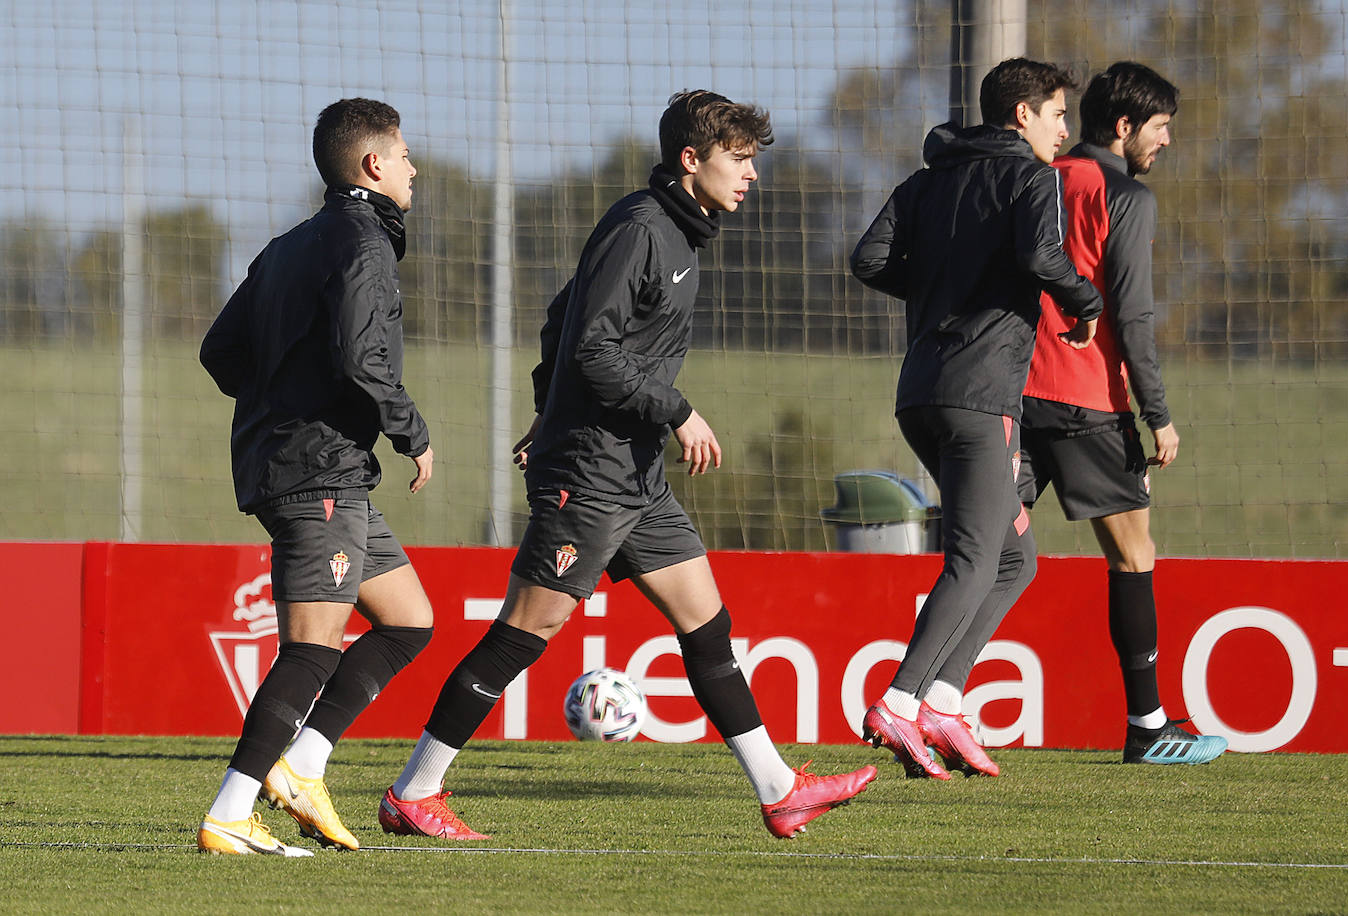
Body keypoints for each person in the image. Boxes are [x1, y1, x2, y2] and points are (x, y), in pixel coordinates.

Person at [380, 90, 876, 842]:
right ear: (691, 159)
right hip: (592, 471)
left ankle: (780, 789)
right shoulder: (641, 228)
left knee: (706, 622)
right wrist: (673, 411)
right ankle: (414, 791)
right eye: (738, 160)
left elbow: (559, 319)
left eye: (751, 162)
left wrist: (549, 410)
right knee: (523, 631)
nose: (750, 176)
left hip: (633, 475)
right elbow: (589, 346)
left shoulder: (681, 234)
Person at [850, 58, 1103, 780]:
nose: (1064, 130)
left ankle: (944, 699)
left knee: (1015, 558)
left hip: (921, 395)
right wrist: (1084, 302)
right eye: (1058, 114)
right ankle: (901, 700)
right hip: (980, 398)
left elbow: (868, 259)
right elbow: (1039, 255)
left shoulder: (924, 182)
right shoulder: (1031, 177)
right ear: (1022, 115)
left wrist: (938, 286)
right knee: (974, 557)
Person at [197, 98, 437, 855]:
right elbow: (365, 360)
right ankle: (230, 811)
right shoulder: (364, 245)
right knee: (311, 648)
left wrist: (280, 398)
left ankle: (304, 765)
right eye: (403, 155)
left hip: (313, 466)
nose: (413, 167)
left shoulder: (291, 244)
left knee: (407, 621)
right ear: (373, 164)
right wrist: (413, 434)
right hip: (318, 471)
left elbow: (220, 353)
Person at [1014, 62, 1226, 764]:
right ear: (1126, 126)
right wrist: (1157, 414)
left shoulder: (1036, 176)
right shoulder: (1125, 195)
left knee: (985, 555)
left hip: (1010, 394)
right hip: (1084, 401)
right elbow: (1132, 314)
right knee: (1135, 555)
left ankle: (921, 704)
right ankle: (1147, 727)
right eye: (1161, 128)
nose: (1167, 141)